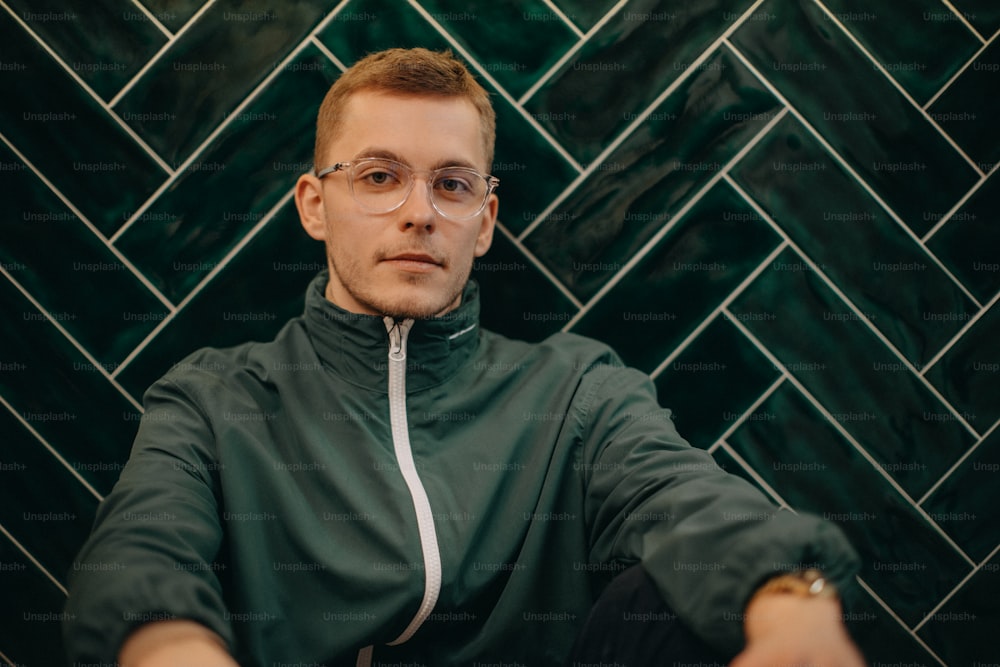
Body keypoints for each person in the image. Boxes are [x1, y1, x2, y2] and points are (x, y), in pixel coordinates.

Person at [64, 48, 865, 667]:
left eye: (451, 186)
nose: (419, 213)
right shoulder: (214, 398)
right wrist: (171, 647)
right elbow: (141, 548)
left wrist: (789, 597)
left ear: (483, 222)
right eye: (379, 176)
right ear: (315, 204)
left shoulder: (576, 390)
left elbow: (683, 498)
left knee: (682, 593)